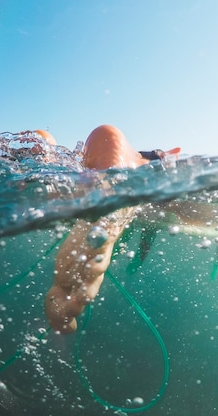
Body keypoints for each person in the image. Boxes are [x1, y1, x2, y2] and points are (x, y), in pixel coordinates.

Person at [44, 125, 180, 333]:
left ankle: (42, 150)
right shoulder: (144, 166)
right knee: (108, 142)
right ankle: (106, 214)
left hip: (85, 171)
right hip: (127, 163)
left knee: (92, 150)